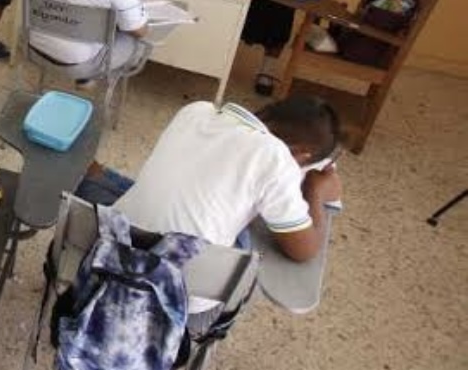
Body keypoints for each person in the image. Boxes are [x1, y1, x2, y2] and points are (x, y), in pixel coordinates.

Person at [88, 96, 343, 332]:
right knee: (247, 248)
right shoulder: (278, 160)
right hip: (175, 300)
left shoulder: (195, 111)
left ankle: (97, 181)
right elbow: (303, 251)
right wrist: (315, 191)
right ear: (300, 155)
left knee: (151, 192)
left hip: (106, 255)